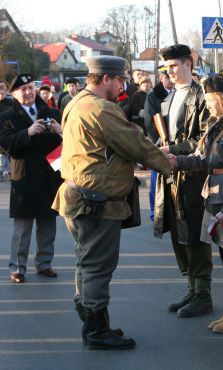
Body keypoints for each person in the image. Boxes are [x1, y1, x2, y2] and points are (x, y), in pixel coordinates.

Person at [51, 56, 172, 350]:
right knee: (98, 267)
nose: (123, 86)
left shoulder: (77, 102)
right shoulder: (101, 108)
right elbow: (134, 142)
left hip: (77, 196)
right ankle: (95, 331)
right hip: (96, 202)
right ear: (106, 79)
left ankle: (93, 321)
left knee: (86, 262)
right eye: (120, 80)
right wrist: (168, 162)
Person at [169, 75, 223, 334]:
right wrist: (175, 160)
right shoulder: (214, 127)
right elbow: (201, 159)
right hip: (213, 196)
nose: (208, 104)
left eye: (212, 100)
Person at [155, 44, 213, 318]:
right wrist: (159, 146)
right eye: (167, 67)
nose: (170, 71)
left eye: (174, 65)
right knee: (179, 233)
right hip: (171, 174)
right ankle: (191, 288)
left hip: (193, 175)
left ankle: (203, 294)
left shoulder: (202, 96)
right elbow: (167, 136)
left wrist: (173, 150)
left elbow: (204, 139)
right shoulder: (168, 98)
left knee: (194, 234)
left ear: (188, 64)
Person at [0, 74, 63, 284]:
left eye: (30, 88)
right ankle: (17, 268)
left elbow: (65, 145)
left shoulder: (51, 112)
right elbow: (5, 144)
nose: (28, 92)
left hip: (49, 175)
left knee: (48, 223)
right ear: (14, 94)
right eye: (23, 89)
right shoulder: (7, 116)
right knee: (22, 228)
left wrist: (60, 131)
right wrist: (27, 132)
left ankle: (45, 263)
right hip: (24, 175)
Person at [144, 67, 174, 221]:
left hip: (175, 143)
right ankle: (155, 212)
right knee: (157, 179)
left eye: (171, 76)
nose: (169, 79)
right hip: (160, 142)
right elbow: (150, 122)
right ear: (161, 78)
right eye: (166, 77)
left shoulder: (178, 93)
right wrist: (160, 139)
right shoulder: (153, 96)